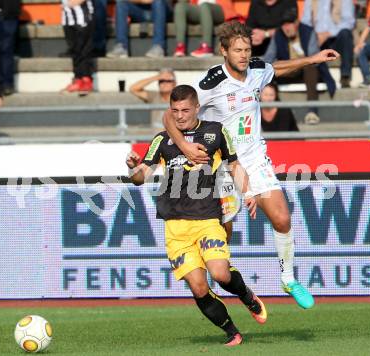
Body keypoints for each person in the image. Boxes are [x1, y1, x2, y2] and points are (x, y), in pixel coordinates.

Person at [163, 20, 340, 309]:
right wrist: (184, 145)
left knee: (282, 218)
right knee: (222, 237)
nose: (244, 55)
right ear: (224, 51)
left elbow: (276, 68)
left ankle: (288, 279)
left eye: (247, 49)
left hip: (256, 159)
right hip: (222, 167)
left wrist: (313, 59)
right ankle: (222, 283)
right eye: (237, 50)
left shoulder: (256, 69)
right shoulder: (210, 82)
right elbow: (170, 116)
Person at [126, 84, 265, 347]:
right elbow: (140, 176)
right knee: (199, 287)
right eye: (175, 111)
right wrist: (132, 167)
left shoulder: (214, 131)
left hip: (207, 218)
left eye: (185, 110)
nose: (180, 116)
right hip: (175, 226)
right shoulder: (162, 140)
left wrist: (248, 192)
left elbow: (234, 164)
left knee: (221, 274)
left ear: (197, 107)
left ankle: (246, 295)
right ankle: (232, 332)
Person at [263, 8, 336, 125]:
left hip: (307, 70)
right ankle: (267, 111)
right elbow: (268, 57)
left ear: (296, 23)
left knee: (310, 67)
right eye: (284, 25)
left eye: (289, 24)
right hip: (288, 69)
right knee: (268, 69)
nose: (286, 28)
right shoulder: (278, 34)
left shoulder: (308, 31)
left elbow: (314, 57)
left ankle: (312, 111)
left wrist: (302, 61)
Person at [301, 0, 355, 88]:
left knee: (345, 33)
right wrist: (315, 35)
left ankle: (345, 75)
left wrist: (328, 33)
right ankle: (315, 75)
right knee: (306, 34)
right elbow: (305, 21)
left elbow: (349, 22)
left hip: (336, 38)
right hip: (317, 37)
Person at [106, 0, 172, 58]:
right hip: (140, 12)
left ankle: (159, 46)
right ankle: (121, 47)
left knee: (158, 2)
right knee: (121, 3)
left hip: (161, 10)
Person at [173, 0, 239, 58]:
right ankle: (180, 46)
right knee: (180, 6)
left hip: (220, 9)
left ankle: (207, 46)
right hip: (198, 8)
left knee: (204, 6)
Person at [61, 0, 95, 94]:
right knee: (74, 50)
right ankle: (78, 79)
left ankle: (86, 80)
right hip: (68, 16)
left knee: (84, 49)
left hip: (82, 16)